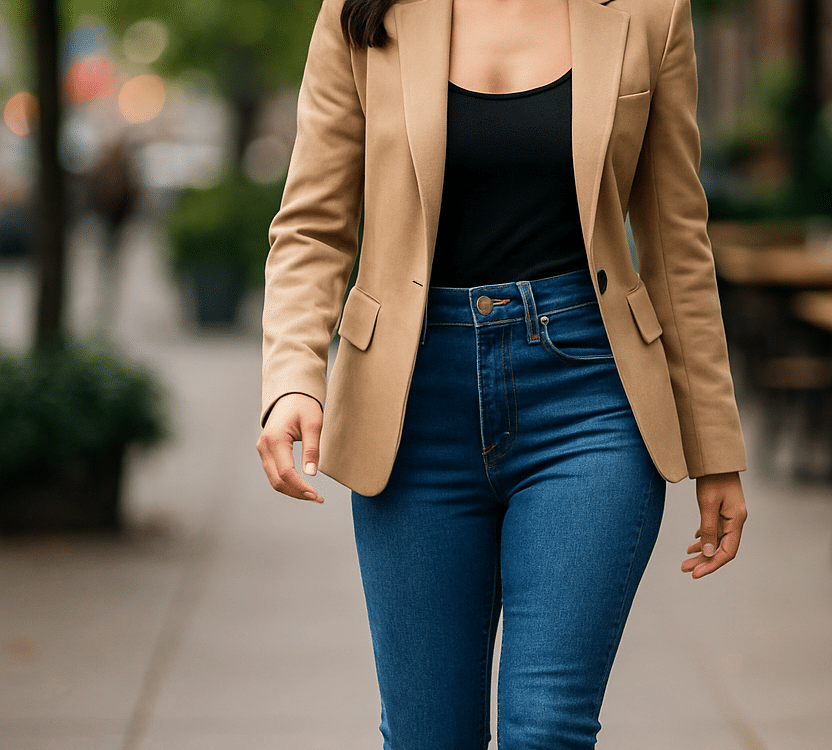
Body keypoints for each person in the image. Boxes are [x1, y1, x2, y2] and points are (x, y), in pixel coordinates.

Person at [257, 0, 748, 747]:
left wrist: (715, 447)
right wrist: (293, 374)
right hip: (411, 406)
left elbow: (677, 240)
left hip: (589, 394)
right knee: (428, 735)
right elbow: (313, 223)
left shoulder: (650, 11)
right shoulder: (365, 11)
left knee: (546, 729)